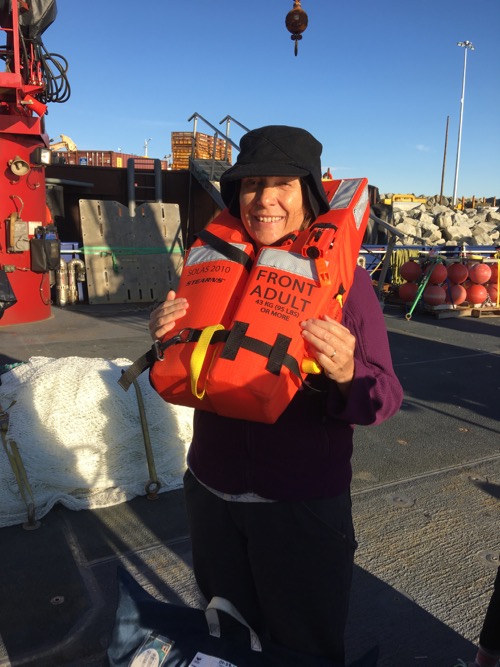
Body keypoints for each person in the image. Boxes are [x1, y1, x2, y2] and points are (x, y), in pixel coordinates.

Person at [149, 125, 404, 665]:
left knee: (304, 649)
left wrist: (344, 373)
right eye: (249, 185)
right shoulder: (209, 265)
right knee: (226, 639)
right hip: (212, 497)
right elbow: (193, 362)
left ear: (309, 194)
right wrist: (164, 335)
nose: (263, 200)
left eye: (281, 185)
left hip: (301, 508)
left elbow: (385, 395)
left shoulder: (346, 285)